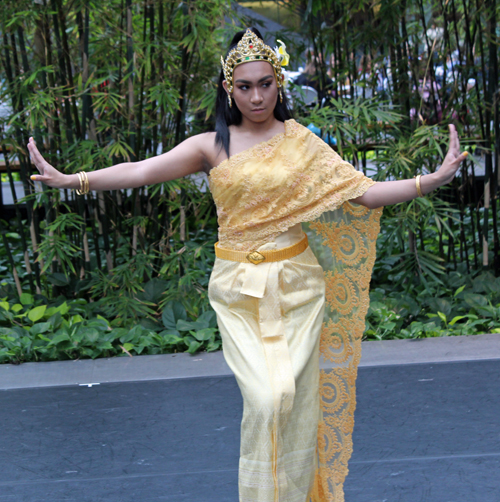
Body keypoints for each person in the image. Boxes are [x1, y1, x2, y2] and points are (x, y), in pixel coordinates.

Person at [28, 27, 467, 502]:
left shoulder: (301, 142)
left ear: (278, 84)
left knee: (294, 402)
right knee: (267, 398)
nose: (256, 95)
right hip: (239, 290)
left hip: (298, 284)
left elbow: (363, 193)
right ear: (228, 90)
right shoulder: (211, 145)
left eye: (264, 84)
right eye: (244, 86)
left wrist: (431, 180)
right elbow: (141, 170)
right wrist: (74, 179)